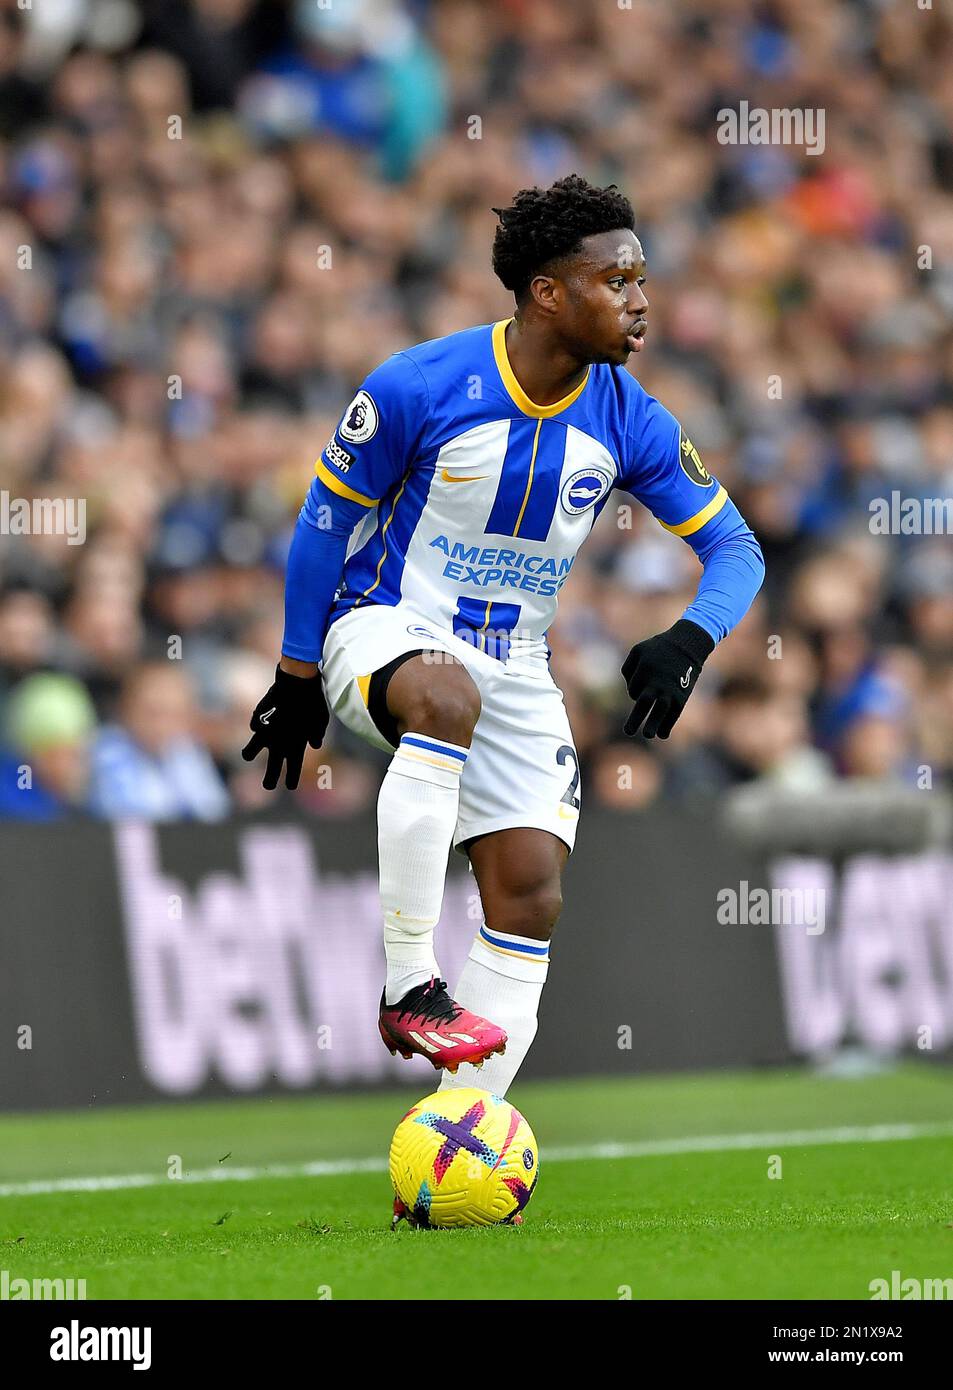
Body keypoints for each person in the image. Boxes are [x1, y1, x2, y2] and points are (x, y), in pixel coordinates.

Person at [243, 175, 765, 1095]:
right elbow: (324, 523)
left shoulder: (630, 418)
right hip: (387, 624)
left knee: (530, 893)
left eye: (642, 280)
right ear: (547, 293)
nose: (641, 302)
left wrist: (692, 636)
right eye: (618, 281)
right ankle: (409, 982)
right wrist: (294, 668)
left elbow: (733, 545)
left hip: (516, 664)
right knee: (447, 694)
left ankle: (459, 1135)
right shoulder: (420, 384)